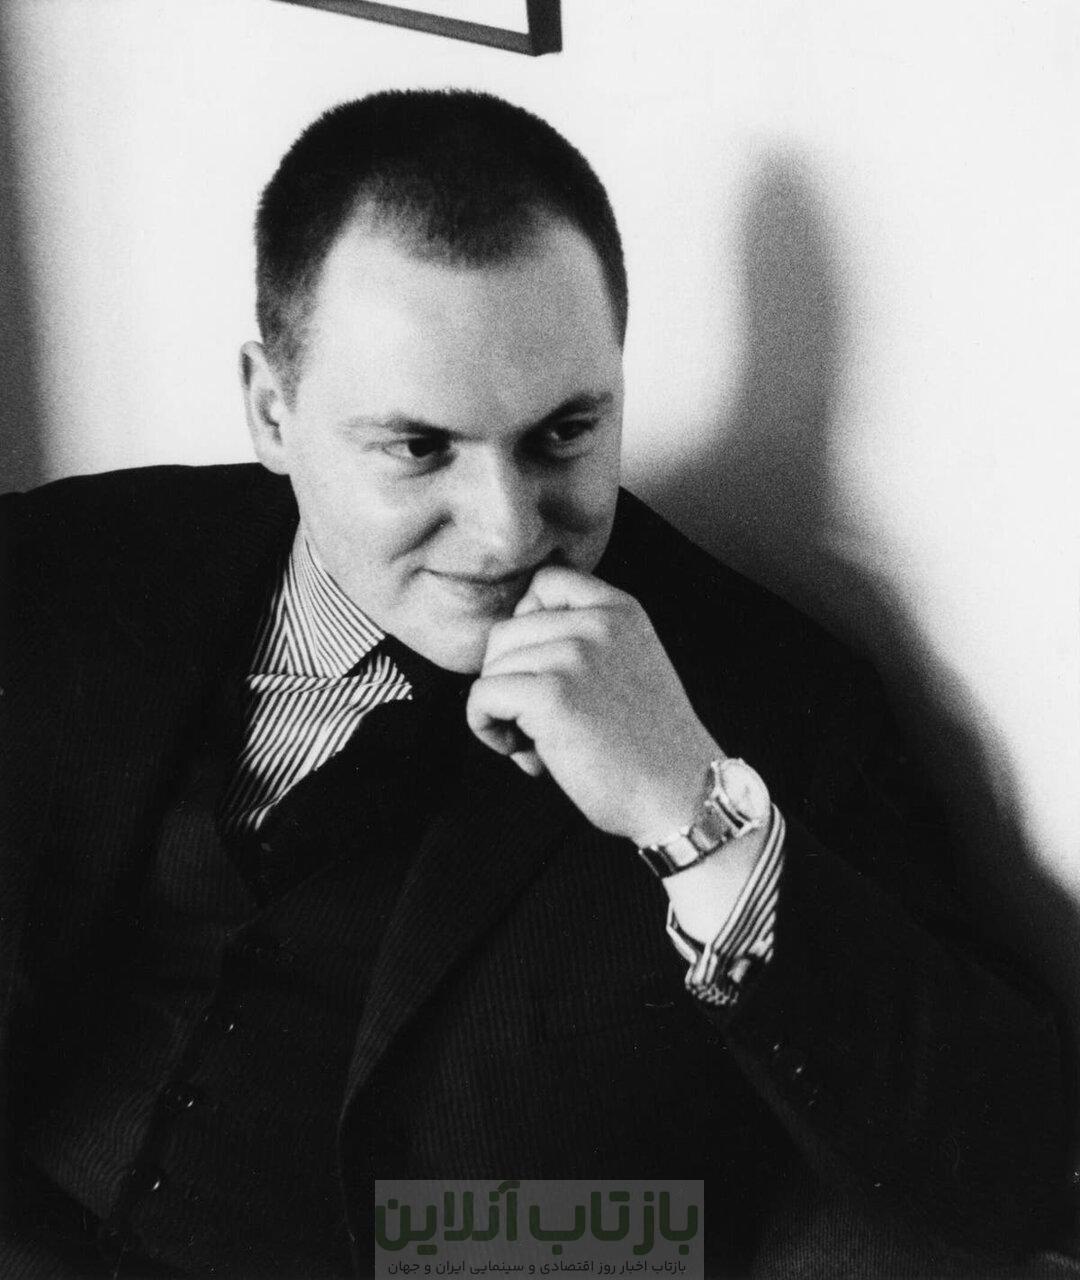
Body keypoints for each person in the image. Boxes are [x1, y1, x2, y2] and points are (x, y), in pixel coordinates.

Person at [0, 89, 1069, 1279]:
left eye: (564, 433)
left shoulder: (772, 697)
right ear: (272, 409)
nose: (508, 529)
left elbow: (1021, 1171)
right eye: (419, 448)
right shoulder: (67, 567)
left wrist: (689, 812)